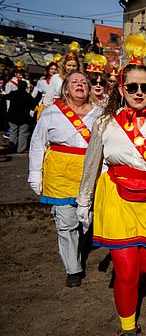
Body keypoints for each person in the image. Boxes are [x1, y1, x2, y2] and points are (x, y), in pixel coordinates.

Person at [75, 34, 146, 336]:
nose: (138, 93)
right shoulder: (105, 122)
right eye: (132, 87)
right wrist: (83, 202)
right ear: (122, 88)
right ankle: (129, 330)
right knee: (127, 268)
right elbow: (92, 165)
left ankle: (132, 297)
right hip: (115, 198)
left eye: (144, 88)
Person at [28, 71, 101, 287]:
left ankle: (78, 247)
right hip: (59, 174)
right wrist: (35, 173)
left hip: (89, 173)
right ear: (66, 88)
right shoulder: (51, 113)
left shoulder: (100, 114)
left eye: (83, 82)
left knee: (87, 220)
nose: (80, 85)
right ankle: (73, 268)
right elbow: (37, 143)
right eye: (74, 82)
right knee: (66, 223)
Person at [6, 81, 39, 153]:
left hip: (13, 116)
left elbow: (5, 97)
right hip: (24, 118)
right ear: (26, 87)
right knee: (23, 133)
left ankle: (11, 148)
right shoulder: (27, 96)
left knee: (13, 132)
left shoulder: (13, 93)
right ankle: (20, 149)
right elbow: (34, 105)